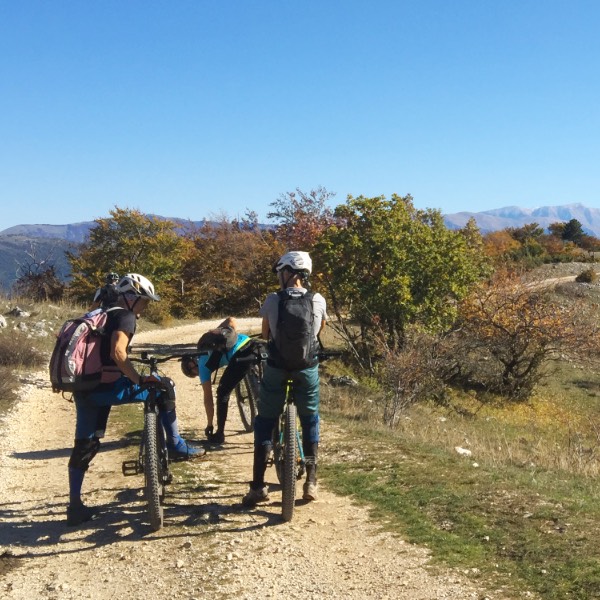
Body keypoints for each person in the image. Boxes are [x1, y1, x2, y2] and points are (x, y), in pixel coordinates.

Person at [67, 273, 205, 526]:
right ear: (131, 298)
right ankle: (175, 444)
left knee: (85, 443)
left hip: (84, 388)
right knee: (164, 387)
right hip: (108, 387)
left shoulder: (99, 312)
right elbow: (118, 353)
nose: (146, 307)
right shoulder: (126, 316)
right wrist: (138, 379)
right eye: (144, 301)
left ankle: (74, 505)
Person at [242, 251, 327, 507]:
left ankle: (258, 486)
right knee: (310, 418)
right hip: (306, 368)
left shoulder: (272, 299)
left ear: (288, 272)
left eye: (281, 272)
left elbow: (266, 333)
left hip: (277, 367)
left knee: (265, 421)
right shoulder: (318, 299)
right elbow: (319, 330)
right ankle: (311, 481)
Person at [181, 317, 259, 445]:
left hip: (239, 356)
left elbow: (208, 400)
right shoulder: (211, 341)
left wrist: (210, 424)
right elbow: (231, 320)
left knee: (222, 392)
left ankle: (220, 433)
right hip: (251, 344)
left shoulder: (202, 368)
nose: (197, 372)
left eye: (194, 373)